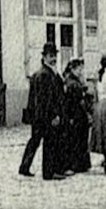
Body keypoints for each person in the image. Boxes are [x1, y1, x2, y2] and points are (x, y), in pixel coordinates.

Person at [19, 43, 65, 179]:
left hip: (38, 116)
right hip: (45, 116)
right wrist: (54, 115)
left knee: (35, 141)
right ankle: (48, 172)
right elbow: (46, 99)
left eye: (54, 55)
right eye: (51, 56)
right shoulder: (45, 75)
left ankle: (24, 167)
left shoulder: (44, 73)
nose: (53, 59)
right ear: (44, 57)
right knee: (49, 142)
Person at [57, 57, 92, 176]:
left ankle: (81, 164)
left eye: (81, 69)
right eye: (78, 69)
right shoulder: (71, 82)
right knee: (75, 140)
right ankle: (76, 164)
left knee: (80, 138)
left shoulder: (74, 81)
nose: (80, 72)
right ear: (72, 69)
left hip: (78, 114)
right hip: (75, 114)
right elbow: (71, 101)